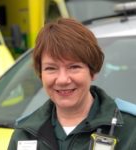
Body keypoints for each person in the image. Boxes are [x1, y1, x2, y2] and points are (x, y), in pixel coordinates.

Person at [8, 18, 136, 150]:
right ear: (41, 74)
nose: (63, 80)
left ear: (92, 71)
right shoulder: (24, 133)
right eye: (51, 68)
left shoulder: (131, 129)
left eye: (74, 67)